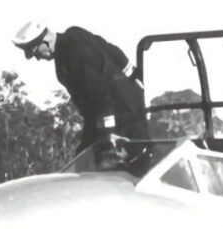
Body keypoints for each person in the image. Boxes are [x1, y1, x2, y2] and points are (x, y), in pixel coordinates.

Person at [13, 21, 148, 154]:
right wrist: (132, 74)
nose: (37, 58)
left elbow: (99, 90)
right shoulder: (73, 36)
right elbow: (111, 49)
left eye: (35, 51)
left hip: (121, 114)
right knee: (83, 158)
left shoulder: (73, 51)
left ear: (46, 42)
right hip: (103, 115)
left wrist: (109, 132)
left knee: (113, 163)